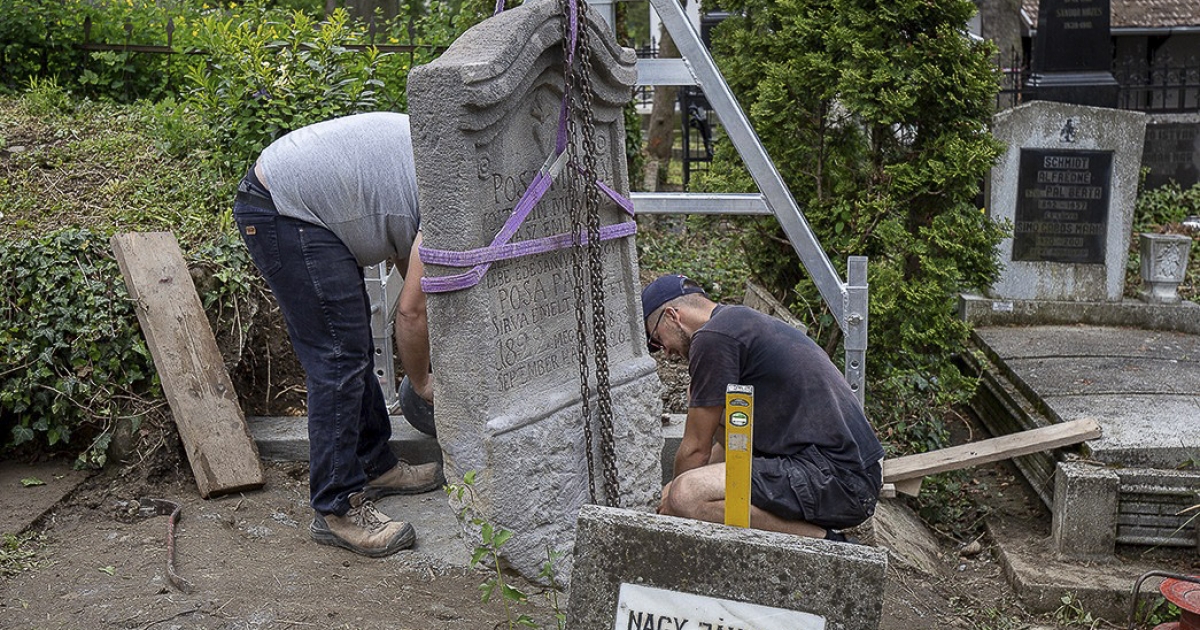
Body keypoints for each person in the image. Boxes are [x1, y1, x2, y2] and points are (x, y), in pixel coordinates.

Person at [233, 112, 441, 558]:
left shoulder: (441, 156)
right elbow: (412, 312)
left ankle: (374, 464)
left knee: (350, 343)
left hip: (295, 199)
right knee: (338, 354)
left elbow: (412, 270)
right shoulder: (450, 196)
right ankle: (337, 508)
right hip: (283, 209)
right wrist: (422, 381)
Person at [642, 274, 884, 541]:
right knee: (697, 402)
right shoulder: (736, 323)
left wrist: (673, 503)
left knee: (687, 496)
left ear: (672, 316)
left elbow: (696, 449)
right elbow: (731, 441)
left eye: (657, 339)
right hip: (843, 474)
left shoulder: (711, 338)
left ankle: (830, 545)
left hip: (837, 479)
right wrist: (679, 486)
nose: (665, 352)